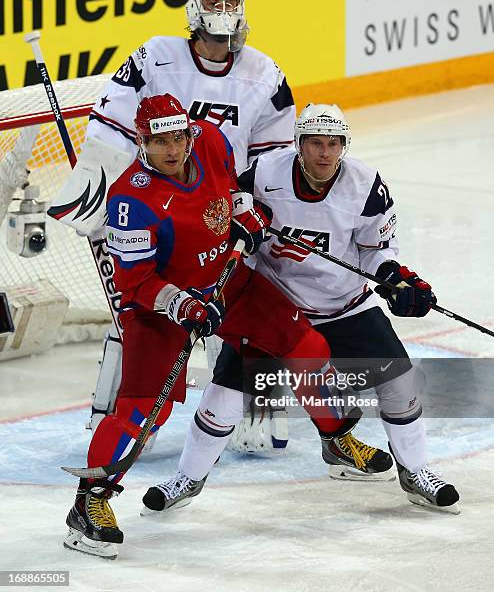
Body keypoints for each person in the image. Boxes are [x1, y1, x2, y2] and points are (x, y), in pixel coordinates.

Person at [63, 95, 392, 559]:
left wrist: (244, 215)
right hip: (160, 307)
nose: (174, 150)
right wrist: (182, 305)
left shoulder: (213, 139)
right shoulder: (130, 200)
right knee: (141, 413)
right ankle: (89, 503)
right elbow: (134, 283)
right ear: (142, 142)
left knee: (306, 345)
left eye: (179, 137)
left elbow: (232, 191)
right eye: (161, 142)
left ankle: (336, 439)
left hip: (228, 279)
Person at [142, 103, 460, 516]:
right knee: (226, 392)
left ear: (344, 146)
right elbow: (223, 209)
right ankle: (188, 477)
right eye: (314, 144)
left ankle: (416, 471)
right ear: (298, 144)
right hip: (274, 304)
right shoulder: (264, 173)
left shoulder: (366, 185)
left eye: (333, 144)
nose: (324, 153)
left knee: (399, 381)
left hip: (343, 305)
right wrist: (237, 222)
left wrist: (395, 279)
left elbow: (376, 252)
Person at [55, 0, 296, 450]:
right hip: (158, 211)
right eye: (214, 0)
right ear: (193, 9)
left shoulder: (265, 71)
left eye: (231, 1)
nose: (223, 11)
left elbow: (274, 155)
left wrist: (256, 208)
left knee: (247, 314)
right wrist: (112, 196)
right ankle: (120, 417)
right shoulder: (155, 54)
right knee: (141, 310)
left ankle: (259, 413)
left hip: (226, 210)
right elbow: (112, 123)